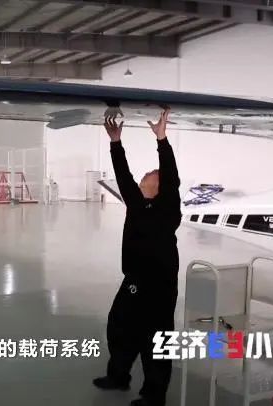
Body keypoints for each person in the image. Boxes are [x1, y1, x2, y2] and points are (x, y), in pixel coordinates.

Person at [93, 109, 182, 406]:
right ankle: (118, 376)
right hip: (133, 280)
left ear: (160, 186)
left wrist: (162, 140)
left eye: (153, 174)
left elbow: (171, 176)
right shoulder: (136, 203)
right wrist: (115, 142)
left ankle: (154, 395)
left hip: (159, 286)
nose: (147, 174)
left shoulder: (168, 208)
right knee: (119, 326)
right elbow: (123, 175)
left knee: (156, 340)